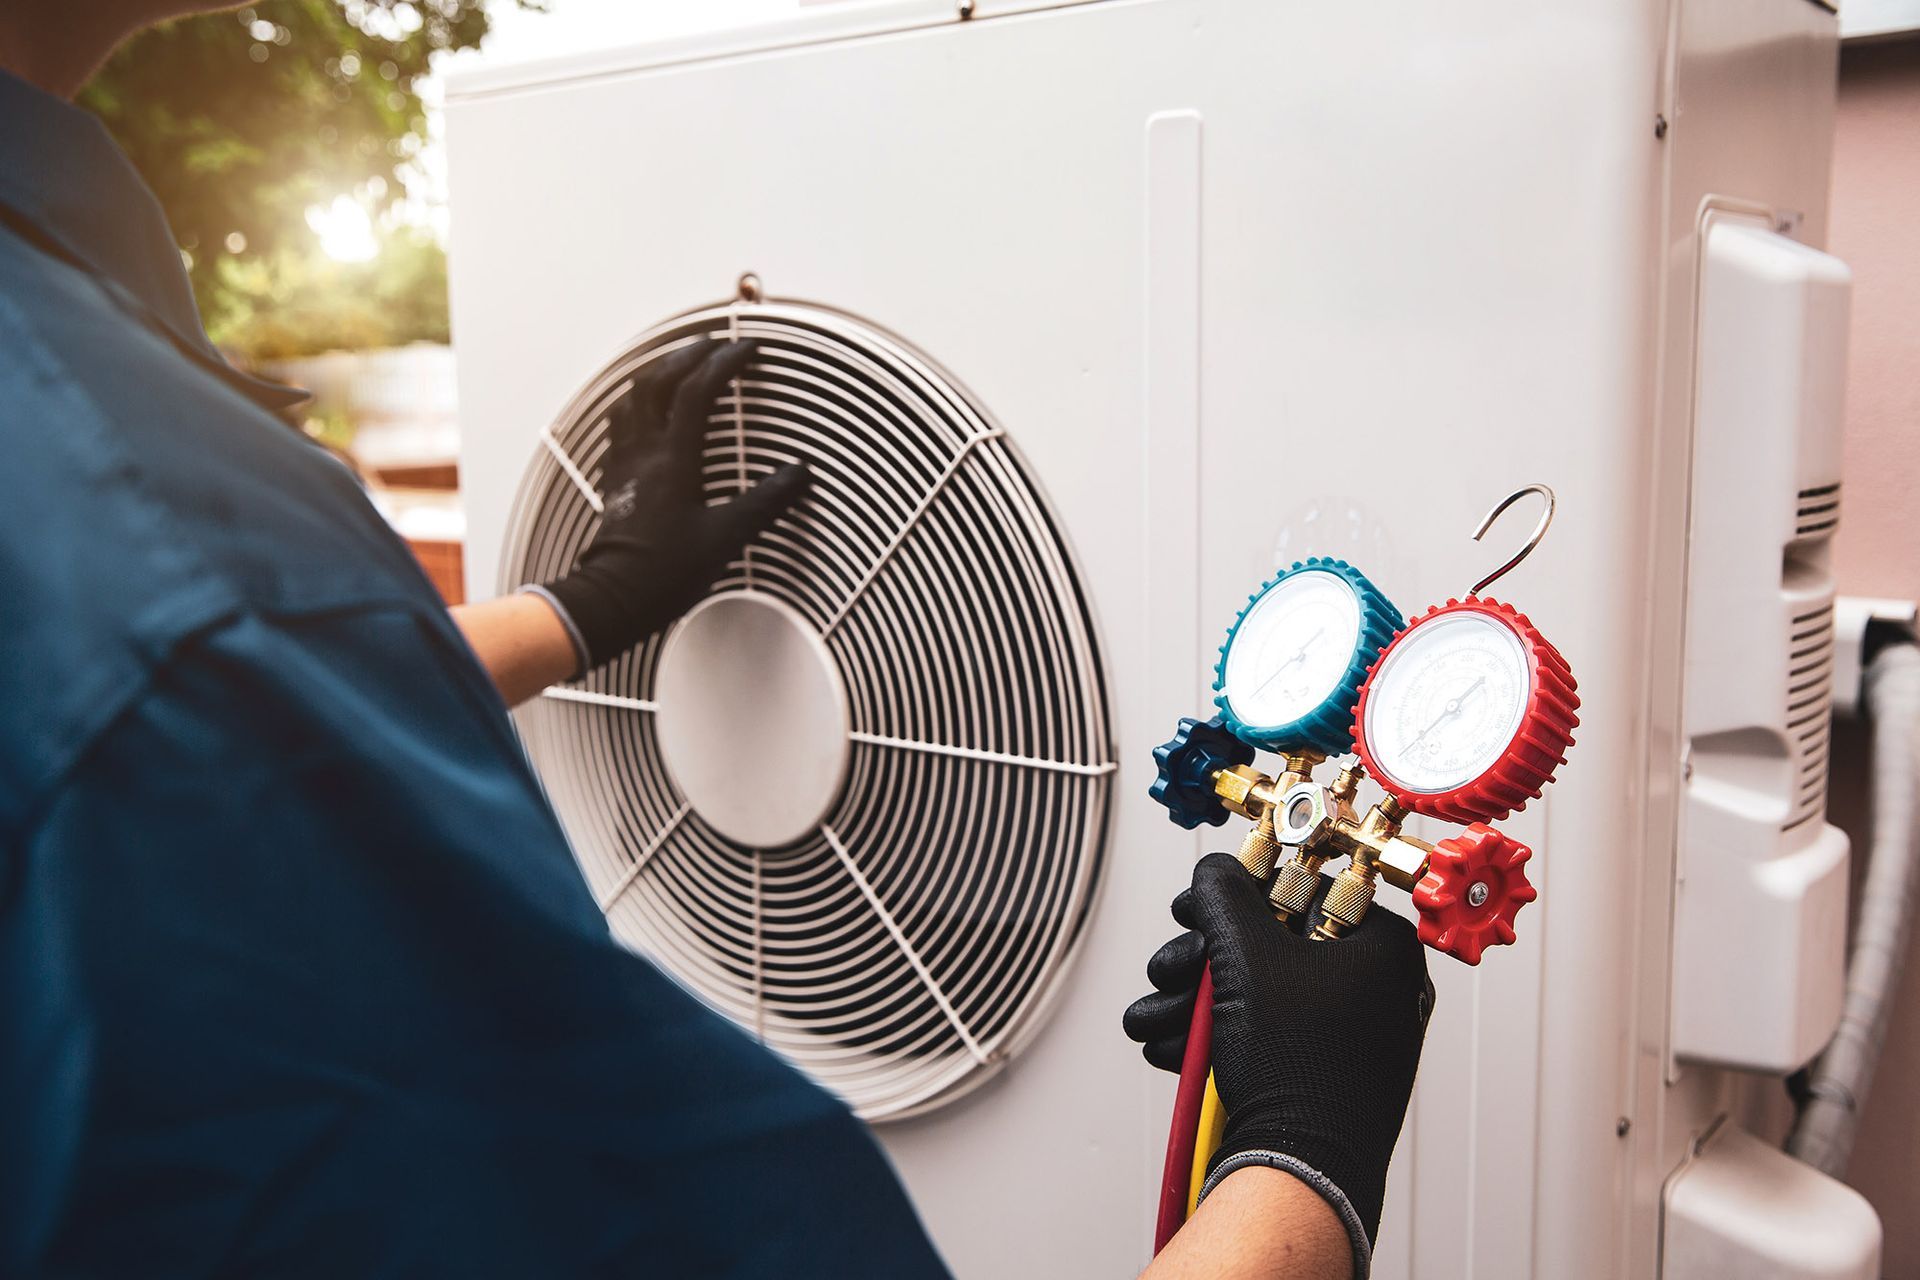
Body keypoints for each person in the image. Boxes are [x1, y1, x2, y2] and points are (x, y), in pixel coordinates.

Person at [0, 5, 1430, 1277]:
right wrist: (1301, 1164)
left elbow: (198, 689)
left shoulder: (119, 523)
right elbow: (190, 680)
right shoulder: (167, 581)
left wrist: (586, 606)